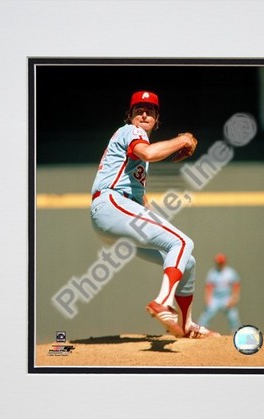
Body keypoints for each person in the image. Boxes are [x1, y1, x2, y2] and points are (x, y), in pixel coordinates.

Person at [90, 90, 220, 339]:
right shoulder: (132, 132)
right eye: (138, 110)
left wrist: (157, 221)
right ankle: (163, 301)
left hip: (115, 216)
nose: (144, 113)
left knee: (186, 260)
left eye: (150, 110)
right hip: (111, 204)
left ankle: (186, 326)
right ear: (130, 116)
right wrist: (184, 139)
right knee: (183, 242)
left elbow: (141, 199)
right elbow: (149, 153)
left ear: (157, 118)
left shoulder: (139, 148)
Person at [198, 253, 241, 334]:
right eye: (218, 262)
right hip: (215, 298)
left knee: (233, 316)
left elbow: (236, 285)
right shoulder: (212, 272)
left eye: (221, 262)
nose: (220, 264)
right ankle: (200, 331)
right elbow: (209, 286)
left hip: (226, 297)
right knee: (207, 314)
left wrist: (234, 297)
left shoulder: (230, 272)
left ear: (225, 262)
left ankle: (236, 333)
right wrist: (208, 298)